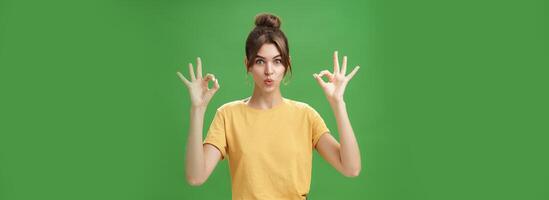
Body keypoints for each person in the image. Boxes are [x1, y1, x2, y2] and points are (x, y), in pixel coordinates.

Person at [176, 13, 361, 200]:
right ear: (247, 65)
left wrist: (338, 103)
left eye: (277, 61)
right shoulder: (227, 115)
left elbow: (351, 168)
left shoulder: (306, 116)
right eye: (260, 61)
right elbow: (195, 177)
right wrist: (197, 109)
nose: (269, 71)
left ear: (287, 65)